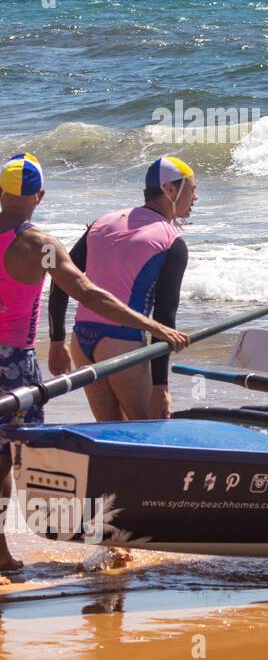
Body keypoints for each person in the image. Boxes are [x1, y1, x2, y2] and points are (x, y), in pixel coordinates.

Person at [0, 153, 188, 571]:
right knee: (12, 460)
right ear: (40, 195)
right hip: (12, 365)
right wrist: (152, 326)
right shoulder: (39, 246)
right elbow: (87, 292)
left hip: (44, 352)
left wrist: (61, 339)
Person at [47, 157, 195, 421]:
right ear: (170, 190)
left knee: (110, 435)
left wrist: (57, 339)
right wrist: (161, 387)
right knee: (149, 434)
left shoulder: (102, 222)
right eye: (192, 189)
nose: (195, 198)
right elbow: (164, 317)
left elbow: (61, 278)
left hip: (82, 340)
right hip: (121, 344)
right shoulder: (172, 242)